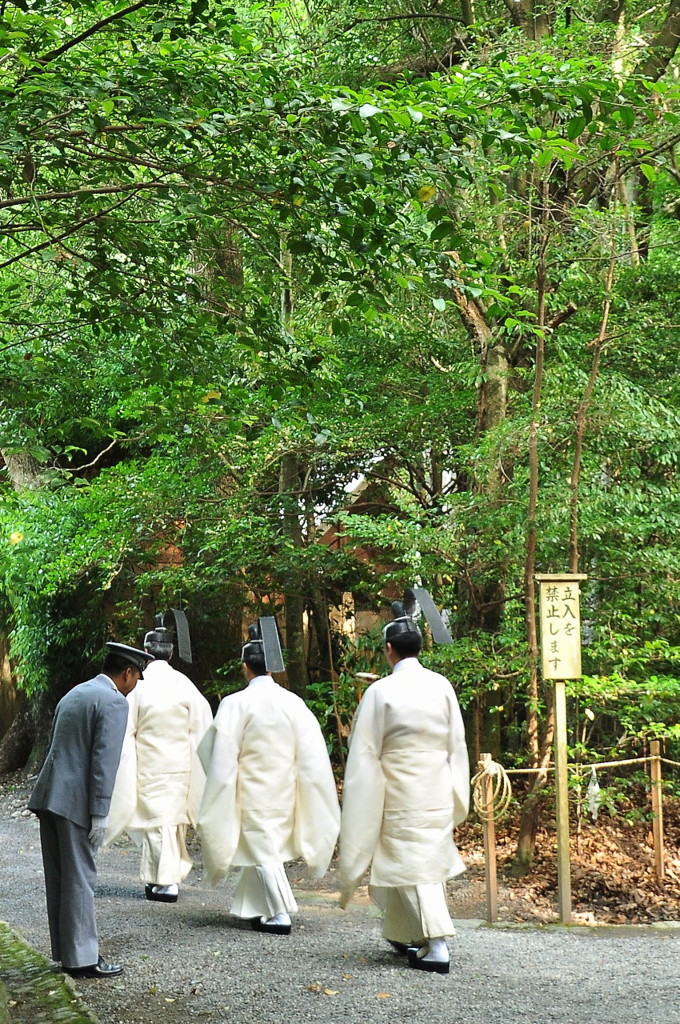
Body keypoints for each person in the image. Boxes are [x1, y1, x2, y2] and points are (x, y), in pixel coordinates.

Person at [338, 608, 469, 974]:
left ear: (389, 649)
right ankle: (405, 933)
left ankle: (438, 944)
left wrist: (363, 798)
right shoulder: (441, 685)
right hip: (437, 786)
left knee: (414, 866)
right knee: (421, 862)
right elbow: (456, 743)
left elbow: (365, 753)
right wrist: (457, 787)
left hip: (399, 790)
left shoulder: (381, 691)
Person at [197, 627, 340, 935]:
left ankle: (279, 912)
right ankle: (255, 906)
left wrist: (219, 790)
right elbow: (313, 754)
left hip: (251, 789)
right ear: (272, 666)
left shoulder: (235, 703)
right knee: (262, 848)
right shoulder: (293, 702)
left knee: (262, 851)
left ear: (245, 666)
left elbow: (219, 755)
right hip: (286, 788)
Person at [28, 641, 153, 979]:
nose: (134, 686)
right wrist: (100, 812)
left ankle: (68, 952)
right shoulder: (114, 701)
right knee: (81, 878)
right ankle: (83, 959)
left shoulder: (76, 692)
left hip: (49, 796)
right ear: (127, 672)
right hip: (75, 801)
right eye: (136, 678)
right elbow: (103, 762)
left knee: (61, 877)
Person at [105, 625, 213, 902]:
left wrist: (122, 765)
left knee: (156, 825)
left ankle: (166, 883)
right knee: (170, 825)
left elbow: (126, 729)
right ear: (172, 653)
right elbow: (202, 728)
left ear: (146, 652)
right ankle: (162, 878)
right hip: (181, 766)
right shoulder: (185, 685)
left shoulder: (138, 686)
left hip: (149, 765)